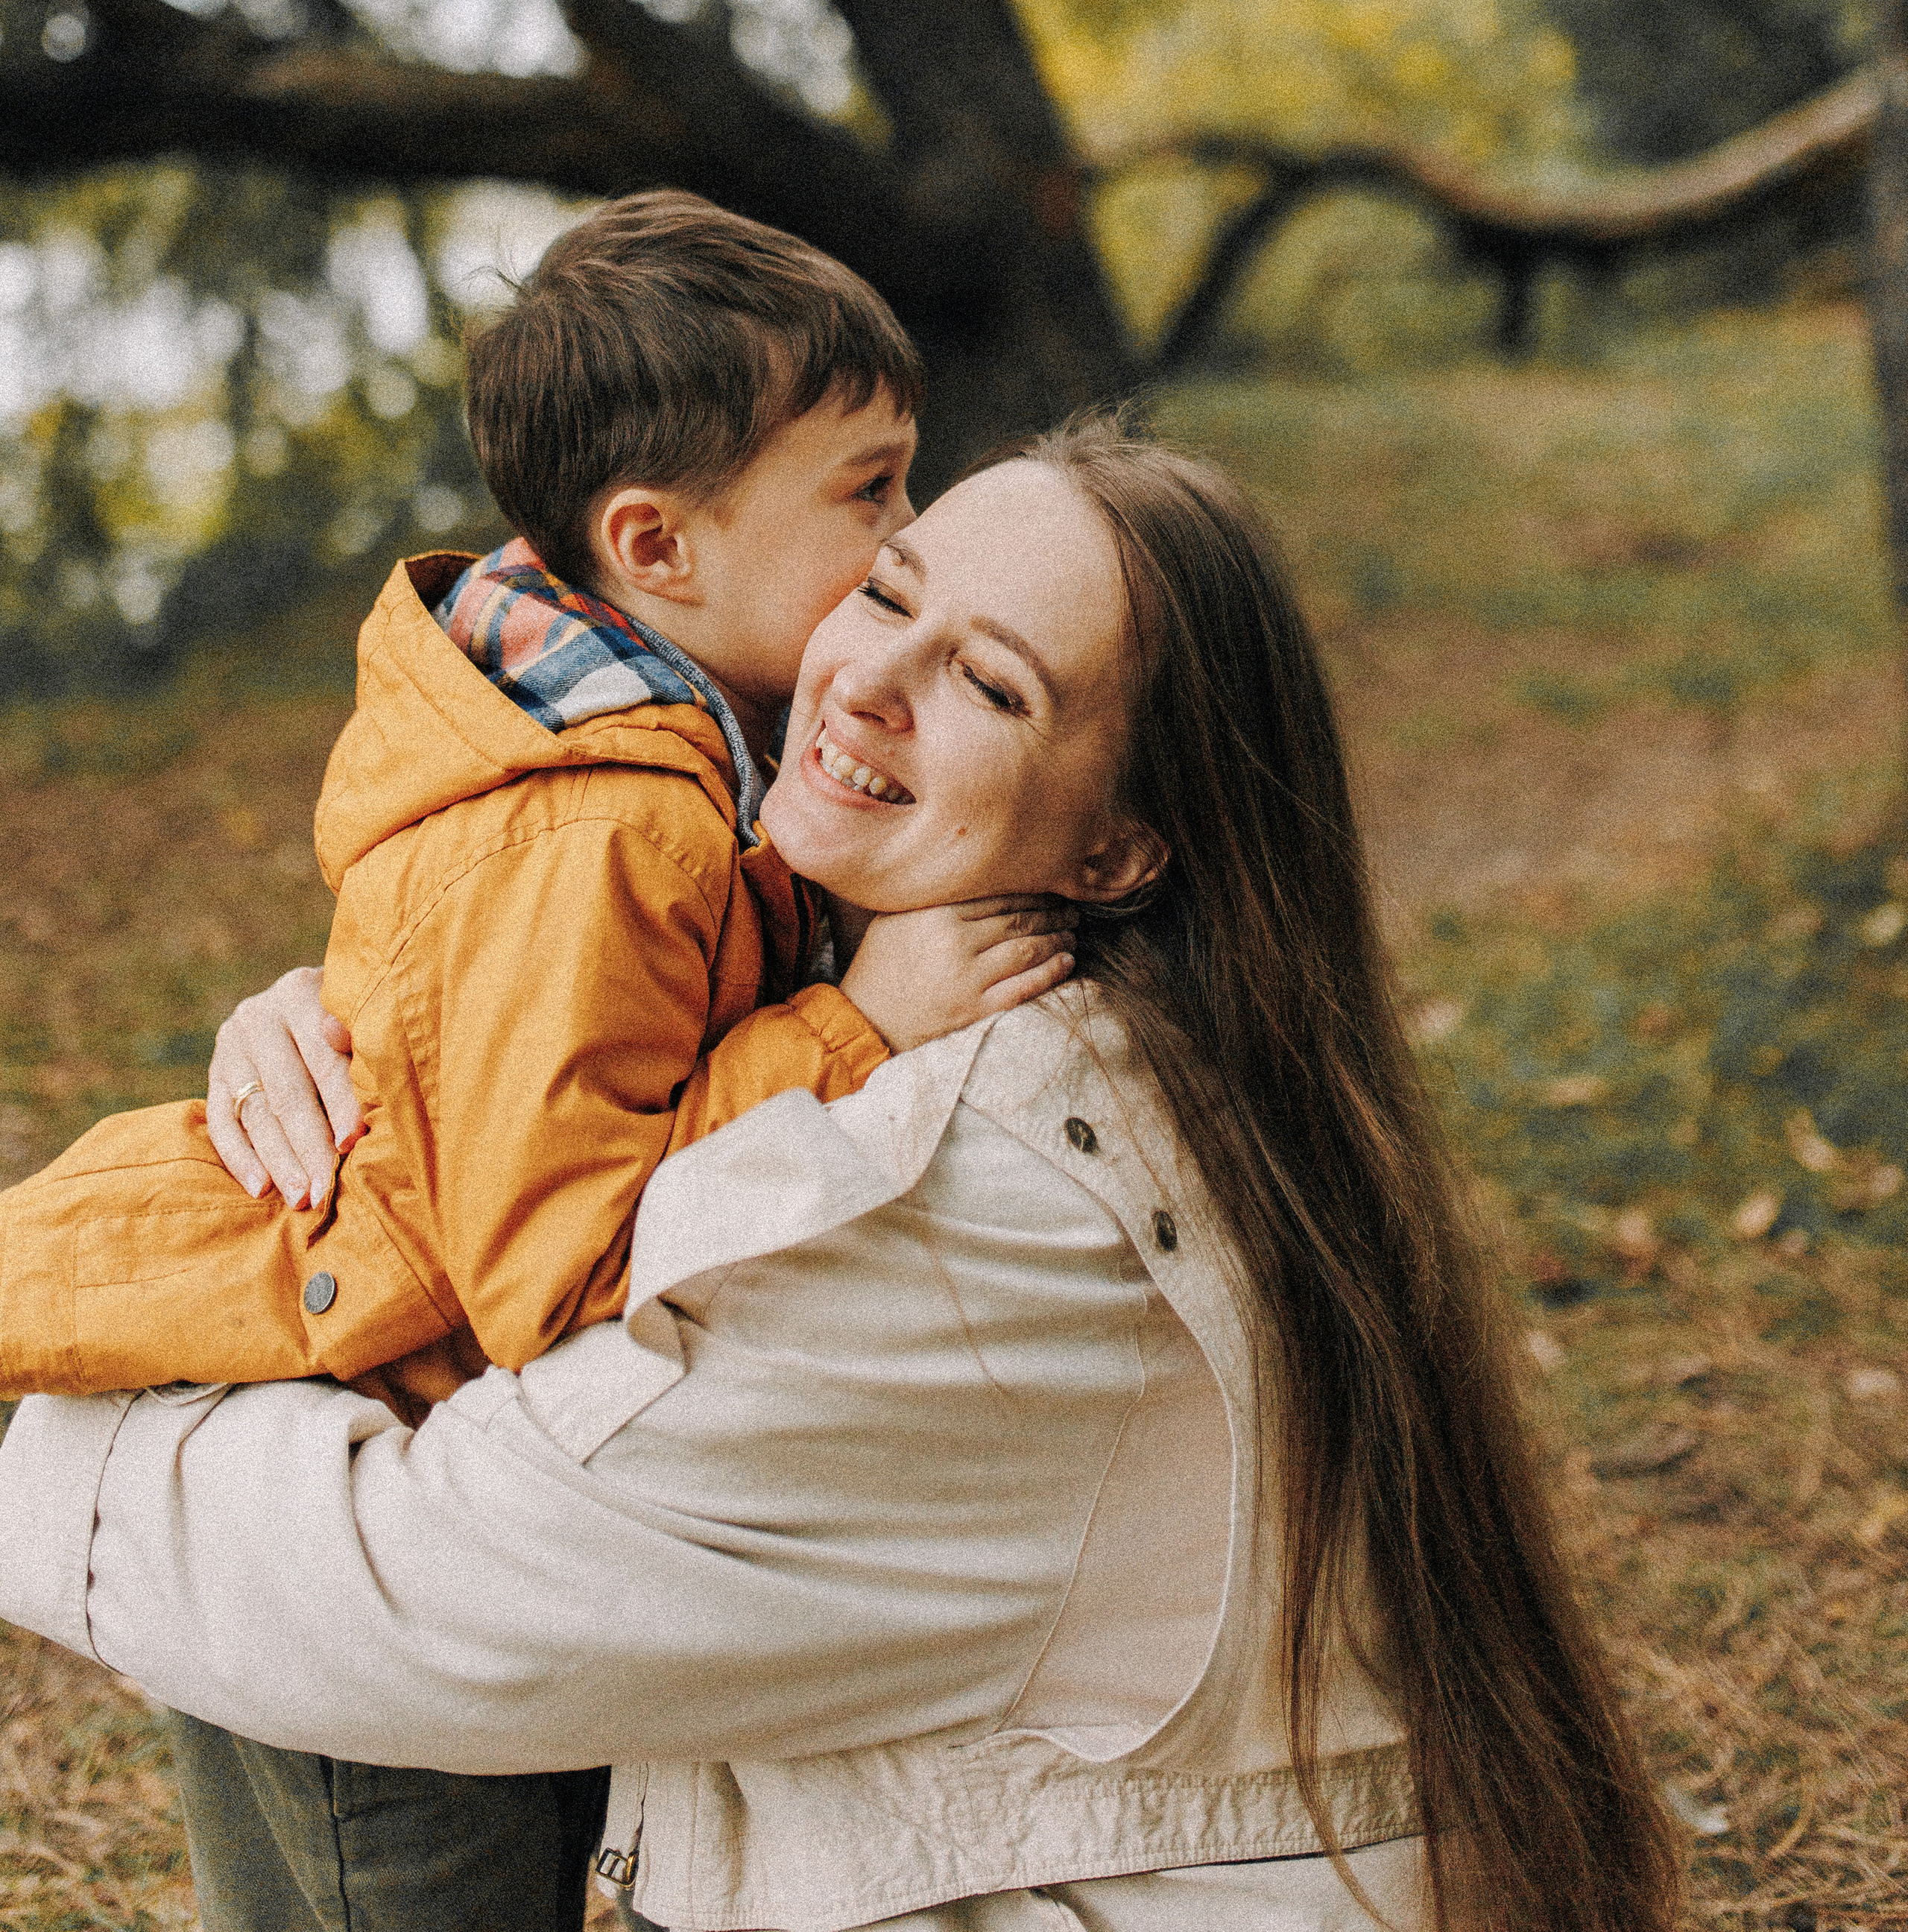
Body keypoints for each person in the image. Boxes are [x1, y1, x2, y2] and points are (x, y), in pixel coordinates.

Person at [0, 423, 1681, 1932]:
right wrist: (383, 1053)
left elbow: (417, 1596)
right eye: (887, 591)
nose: (868, 687)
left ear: (1116, 848)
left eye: (992, 686)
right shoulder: (1112, 1029)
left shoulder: (993, 1189)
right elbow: (589, 1164)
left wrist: (149, 1319)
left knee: (276, 1539)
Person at [0, 191, 1075, 1927]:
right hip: (355, 1525)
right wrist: (854, 1028)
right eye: (867, 491)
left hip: (440, 1472)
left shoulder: (653, 739)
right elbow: (551, 1263)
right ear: (655, 547)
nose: (905, 534)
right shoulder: (601, 828)